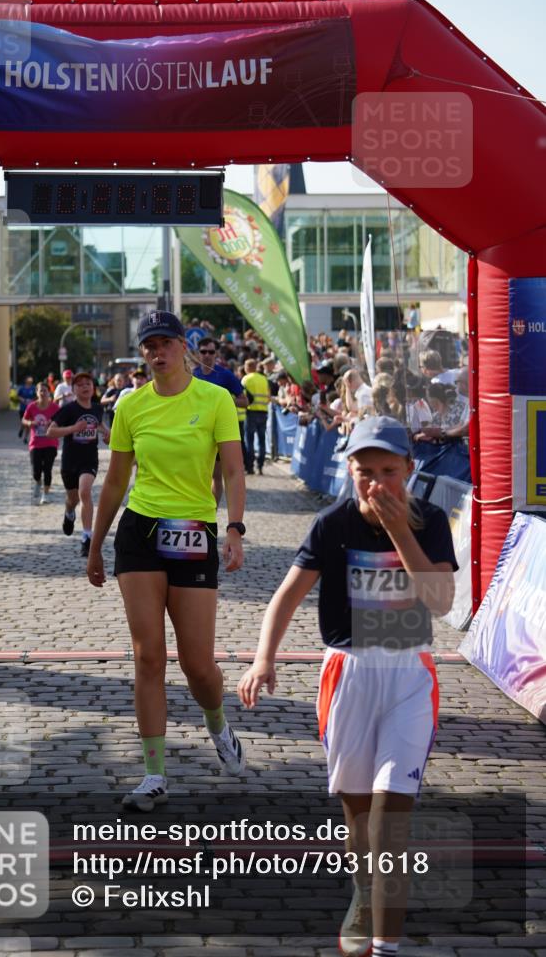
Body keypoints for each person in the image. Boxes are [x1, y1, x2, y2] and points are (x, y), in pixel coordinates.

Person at [238, 417, 457, 957]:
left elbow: (442, 602)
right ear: (349, 470)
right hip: (349, 676)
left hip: (408, 675)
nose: (377, 483)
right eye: (365, 472)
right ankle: (364, 892)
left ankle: (387, 945)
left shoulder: (429, 521)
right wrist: (264, 659)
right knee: (359, 818)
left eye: (389, 471)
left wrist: (402, 531)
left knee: (391, 816)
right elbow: (287, 595)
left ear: (410, 469)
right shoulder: (332, 523)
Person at [86, 310, 246, 813]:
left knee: (198, 664)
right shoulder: (131, 405)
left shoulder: (216, 399)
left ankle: (217, 723)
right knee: (148, 655)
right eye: (149, 346)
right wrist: (95, 542)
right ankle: (154, 774)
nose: (158, 354)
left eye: (166, 344)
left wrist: (236, 528)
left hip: (195, 532)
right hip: (141, 530)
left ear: (184, 348)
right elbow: (115, 481)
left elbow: (235, 471)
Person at [47, 372, 110, 556]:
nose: (85, 387)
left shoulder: (97, 409)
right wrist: (74, 428)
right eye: (80, 384)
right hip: (70, 461)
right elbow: (51, 432)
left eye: (88, 383)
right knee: (72, 499)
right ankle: (69, 513)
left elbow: (100, 427)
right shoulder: (68, 410)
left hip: (89, 459)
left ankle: (87, 537)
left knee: (85, 491)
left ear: (93, 387)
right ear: (73, 389)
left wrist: (107, 435)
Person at [193, 337, 248, 503]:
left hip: (217, 432)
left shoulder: (225, 375)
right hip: (194, 430)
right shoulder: (192, 375)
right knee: (195, 475)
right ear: (198, 353)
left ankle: (212, 512)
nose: (207, 355)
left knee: (216, 476)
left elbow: (244, 401)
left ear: (216, 354)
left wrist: (223, 402)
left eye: (211, 352)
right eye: (203, 352)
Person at [22, 382, 60, 504]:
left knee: (47, 469)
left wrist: (53, 423)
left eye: (45, 391)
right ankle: (38, 482)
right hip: (35, 443)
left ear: (49, 392)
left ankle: (46, 494)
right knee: (36, 470)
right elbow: (24, 419)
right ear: (37, 393)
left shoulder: (54, 407)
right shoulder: (32, 407)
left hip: (51, 442)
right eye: (41, 391)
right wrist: (29, 423)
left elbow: (62, 420)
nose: (43, 393)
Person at [241, 358, 270, 475]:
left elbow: (241, 396)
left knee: (250, 441)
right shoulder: (264, 379)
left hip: (251, 412)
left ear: (247, 368)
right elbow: (268, 396)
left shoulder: (246, 379)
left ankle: (250, 466)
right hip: (263, 412)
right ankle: (261, 466)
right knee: (262, 441)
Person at [17, 376, 37, 442]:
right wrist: (23, 400)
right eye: (29, 379)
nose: (30, 381)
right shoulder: (22, 388)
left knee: (29, 423)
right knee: (23, 421)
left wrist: (32, 400)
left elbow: (36, 397)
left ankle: (25, 438)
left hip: (30, 408)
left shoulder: (33, 388)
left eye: (31, 380)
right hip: (22, 408)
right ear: (26, 380)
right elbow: (18, 396)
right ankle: (21, 429)